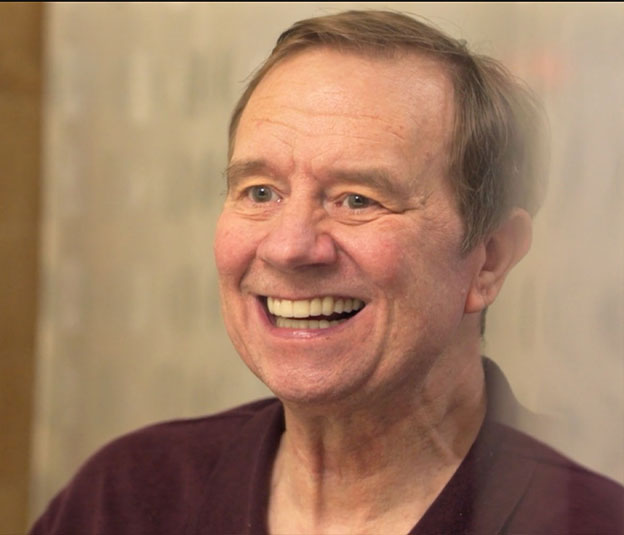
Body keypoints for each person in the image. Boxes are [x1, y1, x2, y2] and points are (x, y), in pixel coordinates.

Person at [30, 10, 624, 534]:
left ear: (489, 258)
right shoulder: (127, 496)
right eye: (260, 191)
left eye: (358, 199)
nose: (289, 248)